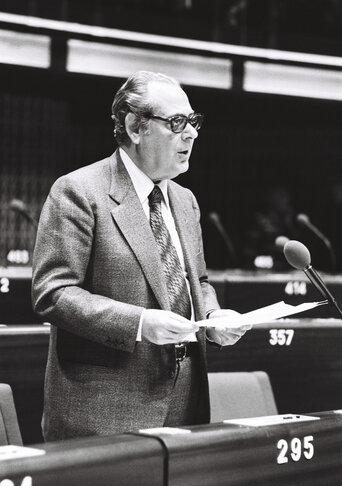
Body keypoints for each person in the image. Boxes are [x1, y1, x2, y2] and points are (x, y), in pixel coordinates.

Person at [32, 70, 249, 441]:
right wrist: (139, 322)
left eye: (193, 121)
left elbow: (197, 281)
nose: (192, 133)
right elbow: (53, 294)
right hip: (103, 411)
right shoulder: (79, 191)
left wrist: (212, 317)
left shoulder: (185, 200)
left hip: (186, 401)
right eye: (177, 122)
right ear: (135, 127)